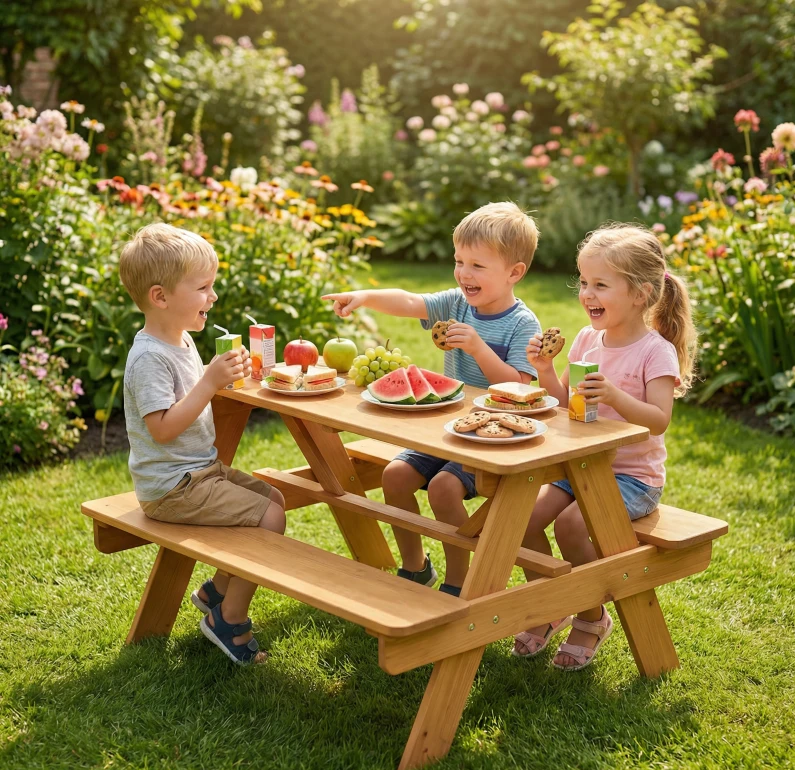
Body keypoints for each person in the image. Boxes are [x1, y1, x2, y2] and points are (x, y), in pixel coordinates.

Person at [323, 201, 541, 596]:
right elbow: (409, 301)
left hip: (491, 438)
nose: (463, 273)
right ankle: (415, 566)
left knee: (443, 488)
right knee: (396, 476)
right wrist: (365, 296)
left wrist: (478, 349)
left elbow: (518, 389)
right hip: (449, 427)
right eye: (459, 261)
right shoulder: (457, 303)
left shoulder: (523, 324)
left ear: (514, 273)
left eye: (477, 265)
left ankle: (460, 579)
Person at [512, 223, 696, 670]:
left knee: (572, 528)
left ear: (640, 294)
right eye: (583, 282)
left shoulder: (656, 352)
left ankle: (591, 618)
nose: (586, 293)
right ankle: (550, 603)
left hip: (633, 478)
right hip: (582, 468)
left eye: (600, 284)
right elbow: (567, 403)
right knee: (524, 520)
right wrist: (545, 369)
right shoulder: (586, 340)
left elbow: (658, 420)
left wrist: (615, 397)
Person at [120, 222, 286, 665]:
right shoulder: (150, 358)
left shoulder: (181, 339)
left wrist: (227, 379)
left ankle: (215, 589)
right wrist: (210, 382)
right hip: (173, 487)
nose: (213, 297)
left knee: (274, 496)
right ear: (161, 297)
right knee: (270, 520)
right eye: (203, 288)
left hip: (197, 472)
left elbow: (193, 400)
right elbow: (163, 429)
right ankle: (228, 621)